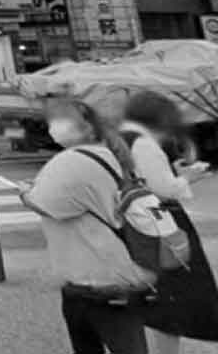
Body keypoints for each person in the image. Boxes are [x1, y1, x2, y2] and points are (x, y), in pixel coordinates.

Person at [16, 99, 154, 354]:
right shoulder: (110, 152)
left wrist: (25, 193)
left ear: (88, 127)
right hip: (120, 269)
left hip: (93, 278)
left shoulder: (71, 160)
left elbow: (45, 204)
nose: (54, 128)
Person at [122, 91, 218, 353]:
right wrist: (188, 178)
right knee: (173, 296)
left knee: (150, 293)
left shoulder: (118, 139)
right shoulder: (143, 143)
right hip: (161, 222)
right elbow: (162, 189)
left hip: (134, 220)